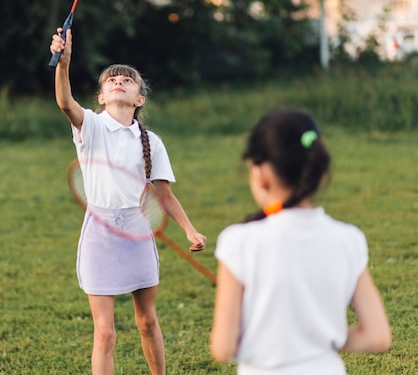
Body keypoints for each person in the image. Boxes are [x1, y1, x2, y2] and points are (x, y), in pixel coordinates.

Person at [50, 27, 207, 375]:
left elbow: (164, 194)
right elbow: (64, 102)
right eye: (111, 80)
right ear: (102, 98)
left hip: (137, 232)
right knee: (105, 334)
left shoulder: (152, 141)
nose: (118, 80)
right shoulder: (89, 126)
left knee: (147, 322)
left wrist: (190, 231)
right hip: (100, 235)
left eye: (127, 80)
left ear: (139, 99)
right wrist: (64, 64)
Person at [209, 107, 391, 374]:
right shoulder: (348, 239)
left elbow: (222, 348)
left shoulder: (239, 242)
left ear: (260, 174)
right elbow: (378, 336)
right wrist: (317, 341)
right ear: (319, 173)